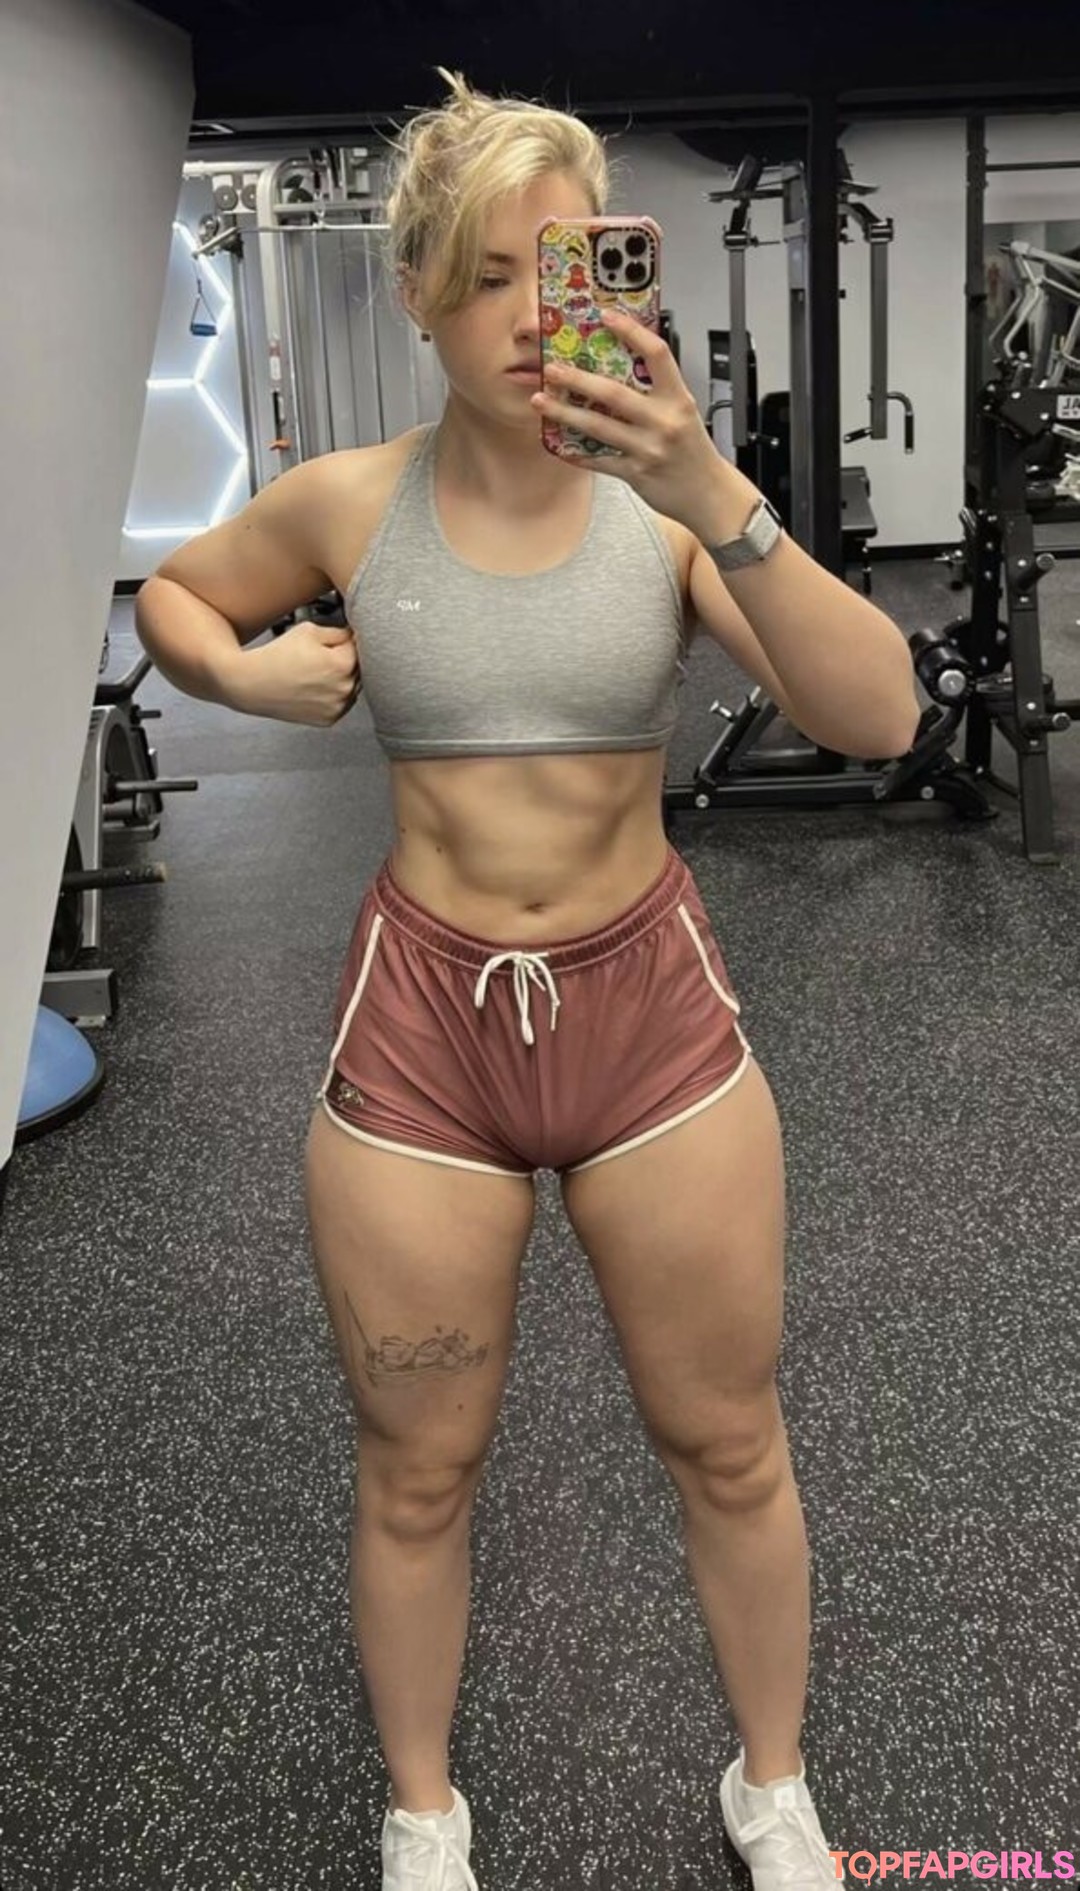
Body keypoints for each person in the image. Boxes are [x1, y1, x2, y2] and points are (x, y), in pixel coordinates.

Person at [136, 68, 920, 1891]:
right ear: (418, 291)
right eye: (486, 275)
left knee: (729, 1441)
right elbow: (181, 596)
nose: (525, 315)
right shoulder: (348, 503)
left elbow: (880, 714)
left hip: (651, 1020)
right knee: (416, 1464)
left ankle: (774, 1787)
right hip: (425, 1034)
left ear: (620, 283)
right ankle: (425, 1811)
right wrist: (241, 676)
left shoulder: (668, 513)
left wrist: (715, 488)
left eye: (565, 271)